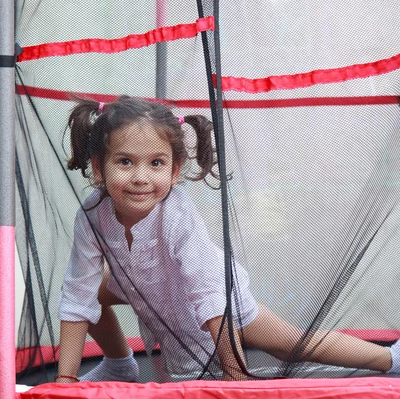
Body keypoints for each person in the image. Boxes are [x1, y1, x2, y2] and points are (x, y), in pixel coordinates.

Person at [57, 96, 400, 383]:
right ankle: (119, 365)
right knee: (90, 290)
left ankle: (388, 359)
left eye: (156, 163)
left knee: (291, 344)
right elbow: (77, 295)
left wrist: (234, 376)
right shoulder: (91, 215)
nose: (141, 178)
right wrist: (64, 383)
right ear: (100, 168)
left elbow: (209, 293)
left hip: (215, 300)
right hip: (148, 285)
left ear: (175, 171)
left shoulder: (176, 216)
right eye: (126, 162)